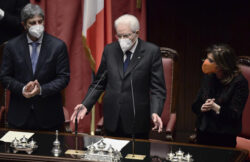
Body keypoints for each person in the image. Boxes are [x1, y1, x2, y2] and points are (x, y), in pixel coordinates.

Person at [71, 14, 166, 139]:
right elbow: (99, 83)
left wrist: (155, 111)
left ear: (137, 33)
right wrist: (86, 104)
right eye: (119, 36)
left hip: (137, 120)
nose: (122, 39)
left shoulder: (151, 52)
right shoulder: (110, 50)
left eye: (126, 36)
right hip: (112, 118)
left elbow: (157, 88)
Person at [0, 3, 70, 131]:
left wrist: (41, 89)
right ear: (24, 25)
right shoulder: (12, 46)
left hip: (49, 117)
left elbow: (63, 78)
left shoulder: (58, 46)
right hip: (19, 117)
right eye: (32, 23)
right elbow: (5, 77)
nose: (37, 26)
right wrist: (22, 89)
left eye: (40, 21)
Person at [192, 44, 249, 147]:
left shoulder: (240, 83)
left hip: (224, 138)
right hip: (203, 134)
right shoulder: (209, 76)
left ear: (222, 65)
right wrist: (202, 107)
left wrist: (215, 107)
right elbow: (195, 105)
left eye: (210, 60)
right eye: (206, 58)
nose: (205, 62)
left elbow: (234, 115)